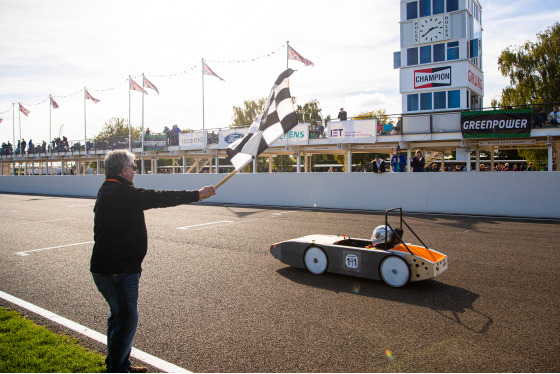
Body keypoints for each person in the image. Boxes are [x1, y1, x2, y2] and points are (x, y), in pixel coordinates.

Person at [90, 150, 216, 373]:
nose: (136, 171)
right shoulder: (119, 191)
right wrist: (197, 194)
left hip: (113, 268)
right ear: (124, 170)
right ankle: (117, 370)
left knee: (119, 318)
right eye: (134, 167)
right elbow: (157, 197)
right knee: (126, 320)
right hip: (117, 270)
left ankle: (119, 365)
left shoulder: (111, 189)